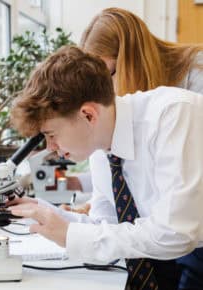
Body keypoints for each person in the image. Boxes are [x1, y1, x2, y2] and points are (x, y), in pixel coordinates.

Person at [0, 45, 203, 290]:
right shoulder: (101, 149)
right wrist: (39, 211)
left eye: (51, 134)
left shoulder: (173, 115)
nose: (51, 147)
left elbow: (175, 233)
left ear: (88, 115)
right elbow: (105, 226)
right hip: (171, 255)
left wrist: (71, 235)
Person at [63, 7, 203, 216]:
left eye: (106, 74)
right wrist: (95, 206)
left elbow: (183, 174)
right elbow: (133, 172)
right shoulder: (137, 98)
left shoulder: (195, 74)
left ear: (130, 59)